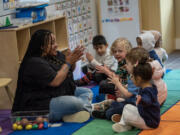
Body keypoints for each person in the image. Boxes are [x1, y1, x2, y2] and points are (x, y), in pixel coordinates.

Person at [12, 29, 93, 123]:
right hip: (40, 103)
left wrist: (73, 61)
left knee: (86, 92)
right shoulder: (33, 62)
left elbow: (68, 70)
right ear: (42, 46)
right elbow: (56, 81)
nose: (56, 45)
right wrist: (68, 62)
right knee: (76, 103)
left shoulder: (55, 55)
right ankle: (79, 110)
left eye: (55, 42)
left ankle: (75, 112)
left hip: (55, 93)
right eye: (52, 43)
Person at [112, 55, 160, 133]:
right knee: (127, 107)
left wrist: (141, 99)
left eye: (132, 77)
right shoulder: (149, 86)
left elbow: (147, 99)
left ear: (138, 79)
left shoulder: (148, 90)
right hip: (146, 116)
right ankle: (123, 124)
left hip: (149, 122)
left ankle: (125, 125)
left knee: (127, 114)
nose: (131, 79)